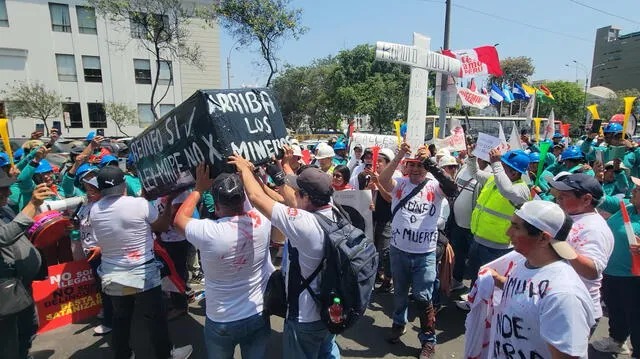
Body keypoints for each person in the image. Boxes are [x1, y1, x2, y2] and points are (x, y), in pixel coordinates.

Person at [227, 153, 341, 359]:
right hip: (330, 308)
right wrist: (275, 169)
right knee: (327, 352)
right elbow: (290, 198)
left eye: (298, 192)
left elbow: (256, 198)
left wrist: (244, 168)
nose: (293, 195)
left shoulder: (302, 223)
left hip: (305, 316)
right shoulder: (333, 209)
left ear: (307, 197)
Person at [88, 166, 192, 359]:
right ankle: (165, 354)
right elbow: (160, 226)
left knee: (121, 318)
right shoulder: (139, 204)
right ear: (124, 184)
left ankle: (124, 354)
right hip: (142, 272)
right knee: (155, 317)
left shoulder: (94, 210)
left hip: (112, 274)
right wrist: (168, 202)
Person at [173, 165, 273, 359]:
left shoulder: (209, 232)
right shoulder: (262, 220)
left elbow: (178, 220)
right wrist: (245, 173)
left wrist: (198, 190)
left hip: (221, 319)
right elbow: (256, 199)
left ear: (216, 206)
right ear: (244, 199)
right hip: (257, 312)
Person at [378, 142, 457, 359]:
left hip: (425, 253)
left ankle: (428, 340)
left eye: (420, 166)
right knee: (400, 293)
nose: (415, 169)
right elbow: (383, 180)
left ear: (427, 168)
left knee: (423, 297)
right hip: (399, 250)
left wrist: (430, 163)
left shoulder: (434, 186)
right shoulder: (400, 183)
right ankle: (398, 323)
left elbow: (452, 188)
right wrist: (399, 155)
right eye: (411, 165)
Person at [487, 200, 595, 359]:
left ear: (543, 238)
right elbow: (528, 295)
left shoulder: (564, 295)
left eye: (516, 227)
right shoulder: (526, 262)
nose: (508, 232)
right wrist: (498, 280)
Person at [547, 173, 614, 327]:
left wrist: (557, 243)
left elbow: (592, 270)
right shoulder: (573, 217)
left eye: (564, 195)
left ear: (586, 199)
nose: (558, 199)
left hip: (577, 310)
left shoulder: (594, 228)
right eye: (558, 195)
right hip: (561, 301)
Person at [0, 176, 53, 359]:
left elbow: (19, 231)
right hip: (5, 291)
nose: (7, 192)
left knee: (28, 328)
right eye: (2, 189)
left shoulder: (5, 208)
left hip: (21, 284)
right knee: (7, 341)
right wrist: (32, 203)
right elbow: (5, 236)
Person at [466, 149, 530, 285]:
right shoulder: (493, 179)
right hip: (478, 239)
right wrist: (472, 157)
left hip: (497, 247)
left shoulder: (521, 190)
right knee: (476, 276)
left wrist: (495, 164)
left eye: (503, 166)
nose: (498, 169)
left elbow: (506, 190)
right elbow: (475, 173)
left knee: (490, 282)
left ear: (514, 172)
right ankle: (473, 302)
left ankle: (488, 306)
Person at [591, 176, 640, 356]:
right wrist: (594, 177)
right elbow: (601, 198)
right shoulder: (626, 206)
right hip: (611, 274)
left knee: (636, 318)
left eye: (638, 190)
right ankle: (617, 341)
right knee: (615, 310)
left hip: (633, 278)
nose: (633, 191)